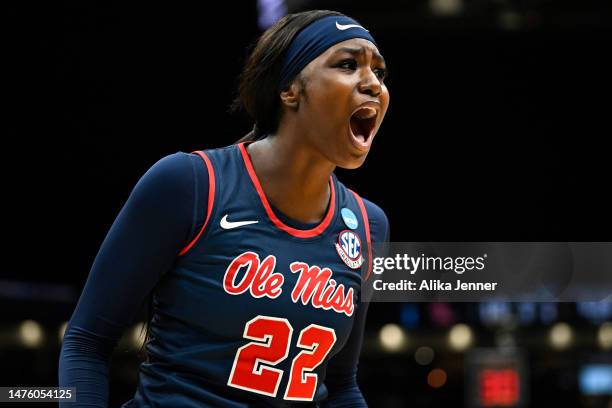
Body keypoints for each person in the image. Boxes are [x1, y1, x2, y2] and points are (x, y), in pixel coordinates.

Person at [59, 9, 390, 407]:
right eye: (349, 64)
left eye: (380, 73)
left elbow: (341, 385)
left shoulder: (368, 225)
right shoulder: (190, 183)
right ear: (290, 89)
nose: (373, 83)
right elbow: (86, 343)